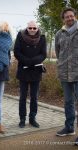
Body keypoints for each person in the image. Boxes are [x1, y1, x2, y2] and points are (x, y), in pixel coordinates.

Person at [14, 21, 47, 128]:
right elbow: (17, 52)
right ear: (27, 28)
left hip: (36, 71)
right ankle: (22, 119)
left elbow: (43, 54)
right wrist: (26, 61)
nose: (32, 30)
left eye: (34, 28)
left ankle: (32, 118)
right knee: (22, 97)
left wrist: (32, 61)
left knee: (34, 97)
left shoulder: (42, 37)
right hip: (23, 70)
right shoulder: (20, 35)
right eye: (30, 28)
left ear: (37, 28)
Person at [55, 8, 78, 140]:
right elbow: (58, 52)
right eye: (66, 17)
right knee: (68, 102)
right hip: (64, 73)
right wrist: (62, 64)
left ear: (75, 16)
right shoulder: (59, 33)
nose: (69, 18)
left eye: (71, 16)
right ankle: (69, 127)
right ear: (63, 19)